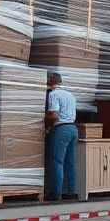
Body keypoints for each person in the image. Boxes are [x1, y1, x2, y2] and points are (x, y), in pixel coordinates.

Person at [44, 72, 78, 201]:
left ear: (49, 82)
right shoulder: (70, 95)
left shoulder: (53, 94)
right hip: (73, 128)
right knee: (70, 162)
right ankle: (71, 192)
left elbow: (54, 115)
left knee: (57, 161)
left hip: (61, 129)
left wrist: (45, 122)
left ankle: (55, 193)